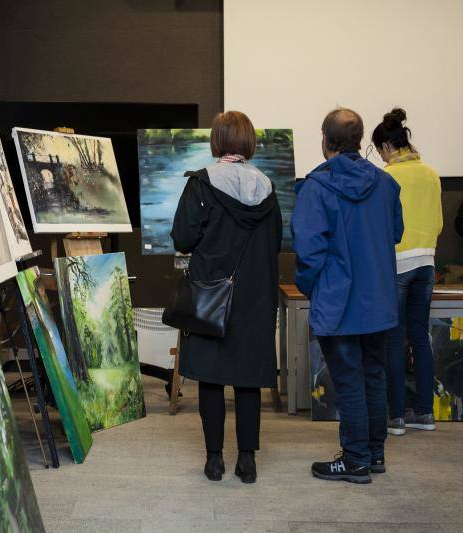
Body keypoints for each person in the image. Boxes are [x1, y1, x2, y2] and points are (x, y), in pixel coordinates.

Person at [292, 108, 403, 484]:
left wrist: (312, 287)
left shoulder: (316, 188)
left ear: (325, 140)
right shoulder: (386, 185)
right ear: (358, 141)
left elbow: (307, 252)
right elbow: (396, 233)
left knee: (351, 382)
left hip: (338, 302)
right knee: (374, 376)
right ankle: (373, 454)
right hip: (379, 300)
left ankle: (354, 459)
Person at [170, 111, 282, 484]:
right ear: (248, 142)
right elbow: (275, 244)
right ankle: (247, 460)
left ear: (217, 141)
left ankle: (215, 460)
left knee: (211, 378)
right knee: (248, 379)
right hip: (254, 298)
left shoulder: (201, 184)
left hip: (210, 297)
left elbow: (183, 238)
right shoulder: (267, 188)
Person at [371, 108, 443, 436]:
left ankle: (397, 416)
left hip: (397, 265)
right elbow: (439, 222)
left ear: (387, 146)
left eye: (379, 151)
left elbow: (382, 226)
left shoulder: (389, 177)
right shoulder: (431, 173)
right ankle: (425, 413)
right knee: (420, 338)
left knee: (393, 340)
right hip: (427, 263)